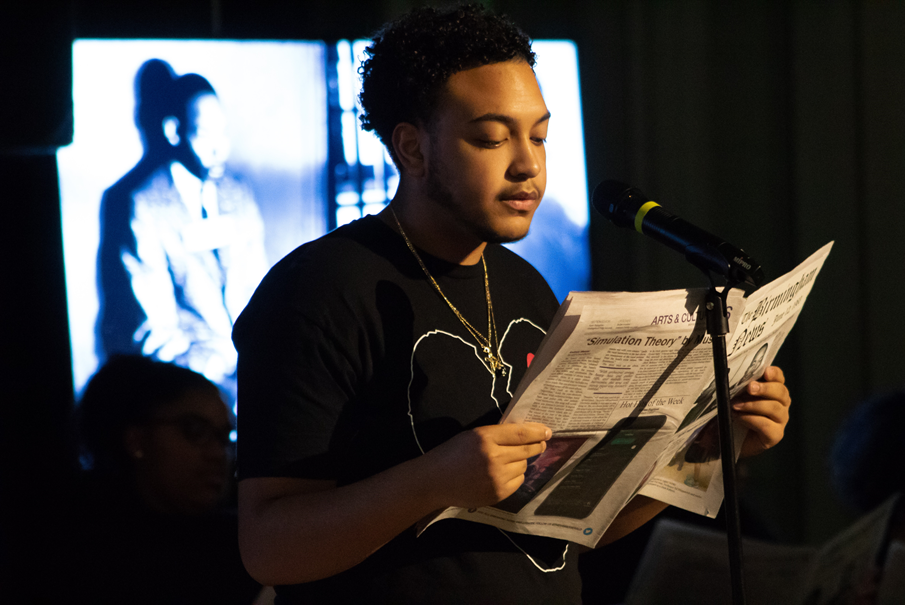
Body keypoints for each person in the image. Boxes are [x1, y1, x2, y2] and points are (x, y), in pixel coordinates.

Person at [232, 4, 792, 603]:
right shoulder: (317, 290)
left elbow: (578, 524)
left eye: (540, 136)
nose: (528, 164)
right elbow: (268, 546)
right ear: (413, 149)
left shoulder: (525, 284)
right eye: (492, 138)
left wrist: (715, 446)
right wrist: (433, 482)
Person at [97, 63, 268, 397]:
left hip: (257, 372)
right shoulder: (141, 204)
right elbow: (155, 330)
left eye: (223, 133)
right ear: (174, 131)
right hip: (188, 388)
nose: (220, 148)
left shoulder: (240, 192)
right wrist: (220, 384)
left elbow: (261, 291)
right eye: (205, 135)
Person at [63, 354, 263, 604]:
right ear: (135, 439)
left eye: (225, 438)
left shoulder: (247, 544)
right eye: (195, 431)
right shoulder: (75, 549)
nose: (218, 454)